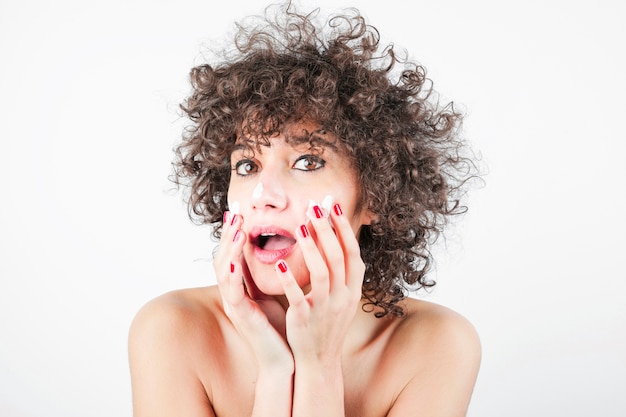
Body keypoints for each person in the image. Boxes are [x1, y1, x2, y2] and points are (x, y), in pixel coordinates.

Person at [128, 2, 481, 416]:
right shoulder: (170, 330)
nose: (263, 193)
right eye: (247, 165)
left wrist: (318, 366)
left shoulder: (438, 343)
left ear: (375, 197)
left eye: (308, 162)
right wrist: (277, 371)